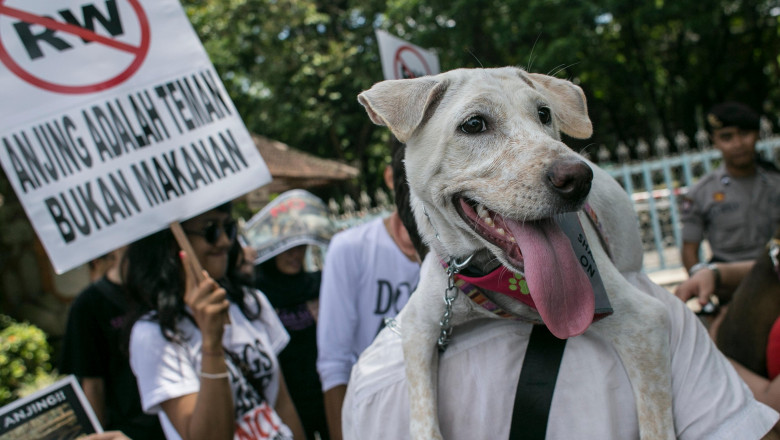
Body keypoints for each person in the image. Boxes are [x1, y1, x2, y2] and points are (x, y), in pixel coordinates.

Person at [125, 203, 305, 440]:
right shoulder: (154, 333)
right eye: (210, 231)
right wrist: (211, 343)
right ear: (171, 244)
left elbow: (282, 404)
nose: (224, 242)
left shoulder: (250, 302)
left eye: (228, 229)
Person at [316, 141, 421, 440]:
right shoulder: (351, 248)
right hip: (378, 421)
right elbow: (334, 363)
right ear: (391, 178)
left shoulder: (458, 253)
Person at [59, 246, 165, 440]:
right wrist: (99, 434)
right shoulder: (88, 304)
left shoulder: (165, 288)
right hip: (132, 431)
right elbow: (92, 382)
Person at [680, 101, 780, 273]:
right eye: (727, 137)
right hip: (732, 290)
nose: (738, 143)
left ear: (756, 135)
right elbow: (690, 250)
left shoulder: (775, 183)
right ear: (715, 141)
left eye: (745, 134)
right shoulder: (701, 193)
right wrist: (700, 280)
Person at [255, 244, 328, 440]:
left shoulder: (317, 283)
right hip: (289, 399)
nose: (296, 255)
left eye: (300, 248)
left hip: (323, 390)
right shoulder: (259, 295)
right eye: (288, 250)